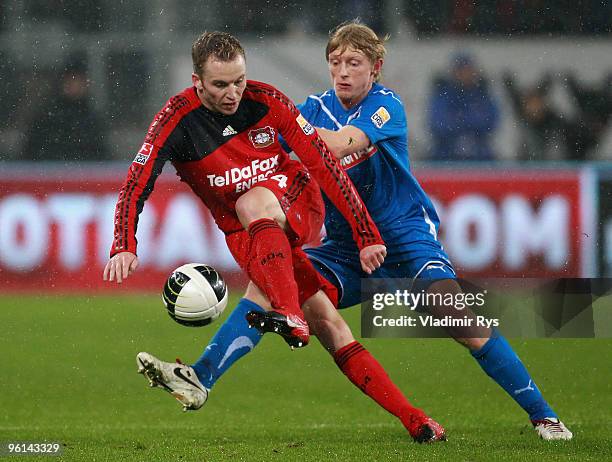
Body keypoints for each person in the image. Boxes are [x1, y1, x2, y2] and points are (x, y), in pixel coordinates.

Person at [189, 21, 573, 441]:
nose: (343, 72)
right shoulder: (312, 108)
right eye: (335, 62)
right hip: (345, 248)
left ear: (376, 67)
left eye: (354, 62)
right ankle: (201, 377)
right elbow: (266, 148)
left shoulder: (386, 105)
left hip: (405, 237)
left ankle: (544, 416)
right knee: (267, 288)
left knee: (457, 316)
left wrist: (281, 127)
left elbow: (336, 144)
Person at [103, 31, 444, 443]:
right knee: (331, 326)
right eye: (220, 85)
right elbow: (137, 180)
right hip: (248, 236)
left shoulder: (268, 101)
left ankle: (288, 315)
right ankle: (416, 420)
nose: (233, 94)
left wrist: (366, 232)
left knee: (253, 201)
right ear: (197, 82)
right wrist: (124, 241)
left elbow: (323, 165)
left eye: (239, 81)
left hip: (296, 199)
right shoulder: (176, 120)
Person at [23, 52, 108, 161]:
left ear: (86, 84)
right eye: (70, 80)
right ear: (62, 82)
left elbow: (100, 158)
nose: (74, 85)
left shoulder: (92, 121)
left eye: (78, 81)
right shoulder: (47, 118)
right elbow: (32, 155)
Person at [428, 52, 500, 161]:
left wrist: (459, 120)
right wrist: (471, 122)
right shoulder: (443, 94)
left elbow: (491, 122)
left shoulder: (482, 94)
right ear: (453, 72)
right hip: (446, 154)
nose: (465, 74)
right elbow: (437, 124)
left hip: (480, 154)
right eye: (461, 70)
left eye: (468, 70)